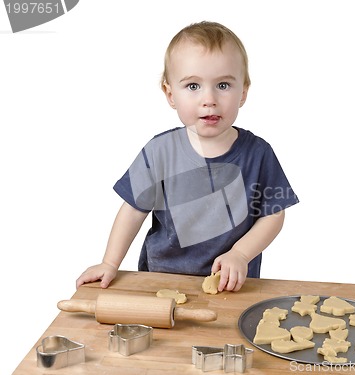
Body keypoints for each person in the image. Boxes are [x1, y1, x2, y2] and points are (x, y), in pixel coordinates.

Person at [76, 21, 299, 292]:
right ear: (171, 94)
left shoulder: (259, 153)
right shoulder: (159, 151)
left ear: (243, 92)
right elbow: (133, 210)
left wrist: (240, 254)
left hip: (231, 285)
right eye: (193, 86)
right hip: (162, 280)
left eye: (223, 85)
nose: (209, 99)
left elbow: (273, 215)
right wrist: (109, 263)